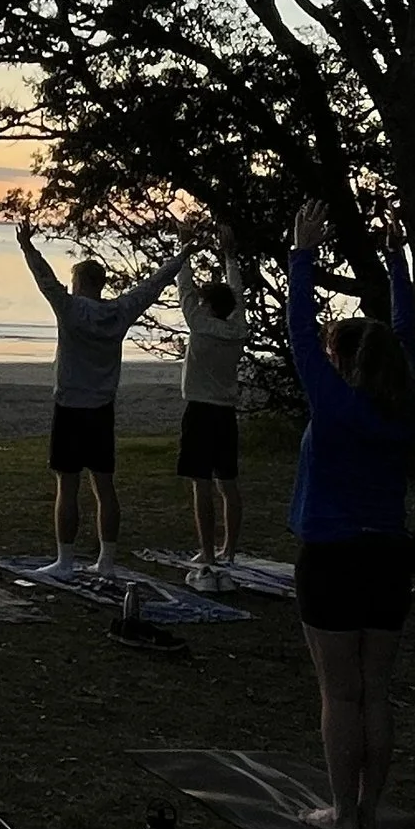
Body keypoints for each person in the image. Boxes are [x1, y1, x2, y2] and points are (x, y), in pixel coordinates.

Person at [287, 198, 415, 829]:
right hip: (389, 559)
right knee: (375, 692)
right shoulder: (403, 400)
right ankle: (366, 812)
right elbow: (406, 329)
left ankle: (343, 813)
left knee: (340, 694)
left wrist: (302, 252)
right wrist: (395, 257)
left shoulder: (336, 404)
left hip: (334, 557)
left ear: (344, 362)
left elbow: (298, 332)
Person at [15, 222, 186, 576]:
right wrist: (182, 255)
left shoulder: (70, 309)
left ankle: (65, 560)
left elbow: (45, 280)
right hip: (102, 410)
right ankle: (105, 561)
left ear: (79, 284)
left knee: (68, 484)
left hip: (70, 408)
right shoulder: (119, 312)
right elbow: (152, 286)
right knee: (104, 486)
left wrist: (28, 246)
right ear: (101, 284)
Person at [175, 224, 249, 584]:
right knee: (228, 483)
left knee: (201, 484)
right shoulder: (238, 328)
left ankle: (207, 549)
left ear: (207, 306)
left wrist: (184, 247)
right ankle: (229, 549)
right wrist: (230, 255)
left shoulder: (199, 324)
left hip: (200, 412)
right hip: (225, 414)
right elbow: (237, 293)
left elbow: (184, 289)